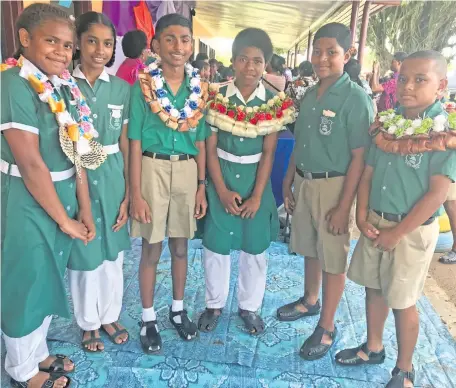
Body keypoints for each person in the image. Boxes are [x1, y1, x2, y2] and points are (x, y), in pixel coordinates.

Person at [336, 50, 455, 388]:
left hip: (411, 230)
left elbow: (436, 194)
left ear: (441, 85)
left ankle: (404, 369)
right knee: (373, 288)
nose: (408, 86)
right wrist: (361, 215)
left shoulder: (443, 132)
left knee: (403, 300)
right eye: (403, 78)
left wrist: (398, 233)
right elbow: (369, 173)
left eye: (420, 80)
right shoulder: (387, 123)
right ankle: (373, 347)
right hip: (377, 221)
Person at [1, 3, 97, 387]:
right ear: (25, 39)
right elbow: (31, 164)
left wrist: (83, 208)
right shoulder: (13, 84)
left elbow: (79, 151)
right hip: (27, 199)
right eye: (51, 41)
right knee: (26, 281)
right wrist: (64, 220)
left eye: (67, 45)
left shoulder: (62, 84)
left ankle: (36, 353)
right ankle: (21, 368)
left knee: (47, 276)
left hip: (63, 194)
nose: (62, 51)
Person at [276, 22, 374, 360]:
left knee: (333, 256)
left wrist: (344, 206)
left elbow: (361, 157)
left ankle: (327, 326)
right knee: (309, 247)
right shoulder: (309, 93)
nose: (321, 58)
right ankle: (309, 300)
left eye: (330, 52)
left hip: (335, 185)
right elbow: (302, 141)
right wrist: (288, 179)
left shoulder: (356, 98)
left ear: (346, 55)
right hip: (304, 180)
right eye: (317, 52)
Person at [128, 13, 210, 354]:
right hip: (152, 169)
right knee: (151, 247)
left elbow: (202, 140)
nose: (179, 46)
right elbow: (133, 140)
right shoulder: (143, 84)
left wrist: (201, 185)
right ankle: (148, 318)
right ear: (156, 44)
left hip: (188, 171)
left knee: (180, 245)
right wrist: (136, 193)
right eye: (171, 39)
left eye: (185, 39)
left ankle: (177, 309)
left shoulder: (200, 87)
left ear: (192, 45)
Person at [198, 28, 284, 335]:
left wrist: (258, 195)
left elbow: (270, 151)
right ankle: (214, 304)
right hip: (221, 175)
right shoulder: (216, 97)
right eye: (244, 59)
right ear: (232, 62)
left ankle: (249, 307)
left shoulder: (275, 102)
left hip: (254, 182)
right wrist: (219, 190)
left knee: (255, 248)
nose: (250, 67)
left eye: (258, 61)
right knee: (216, 246)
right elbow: (209, 146)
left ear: (266, 65)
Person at [67, 11, 131, 353]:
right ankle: (87, 323)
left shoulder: (121, 89)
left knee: (112, 253)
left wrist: (128, 192)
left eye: (108, 43)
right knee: (85, 251)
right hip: (76, 171)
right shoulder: (63, 85)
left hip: (112, 175)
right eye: (92, 41)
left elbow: (124, 142)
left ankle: (109, 315)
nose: (100, 50)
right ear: (78, 42)